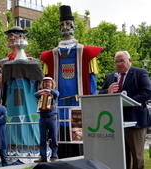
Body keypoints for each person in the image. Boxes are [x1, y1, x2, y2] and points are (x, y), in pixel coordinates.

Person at [40, 5, 103, 158]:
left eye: (68, 24)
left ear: (73, 26)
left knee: (77, 137)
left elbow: (92, 82)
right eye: (62, 25)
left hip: (77, 104)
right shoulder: (51, 55)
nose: (65, 27)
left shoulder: (85, 52)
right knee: (59, 136)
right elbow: (45, 83)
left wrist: (91, 103)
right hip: (58, 105)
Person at [99, 51, 151, 169]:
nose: (119, 64)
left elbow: (147, 92)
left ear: (129, 60)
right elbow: (100, 94)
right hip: (116, 122)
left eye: (122, 61)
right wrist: (107, 91)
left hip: (135, 121)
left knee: (137, 155)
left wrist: (128, 101)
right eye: (116, 62)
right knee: (121, 155)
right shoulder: (111, 77)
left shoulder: (139, 73)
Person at [33, 77, 59, 163]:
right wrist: (42, 91)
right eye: (45, 82)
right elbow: (35, 94)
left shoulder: (54, 93)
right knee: (42, 138)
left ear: (52, 84)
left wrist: (49, 91)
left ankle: (54, 156)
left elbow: (57, 94)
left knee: (54, 137)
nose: (47, 84)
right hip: (43, 118)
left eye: (48, 82)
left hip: (52, 118)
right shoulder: (40, 94)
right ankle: (43, 157)